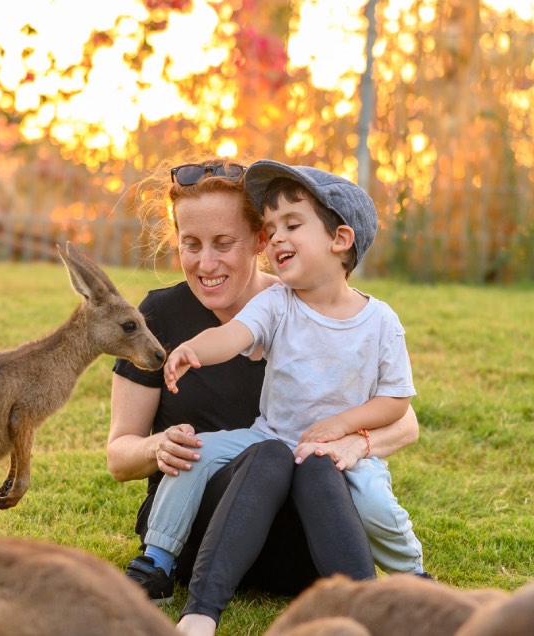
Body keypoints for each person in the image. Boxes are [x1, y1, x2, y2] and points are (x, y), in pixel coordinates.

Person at [108, 157, 421, 636]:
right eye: (191, 244)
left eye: (223, 243)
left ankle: (403, 585)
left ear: (257, 242)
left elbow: (403, 418)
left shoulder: (314, 304)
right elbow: (119, 456)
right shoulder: (169, 315)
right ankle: (162, 566)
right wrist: (158, 445)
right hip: (210, 527)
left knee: (308, 464)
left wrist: (350, 440)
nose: (206, 262)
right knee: (269, 453)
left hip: (310, 524)